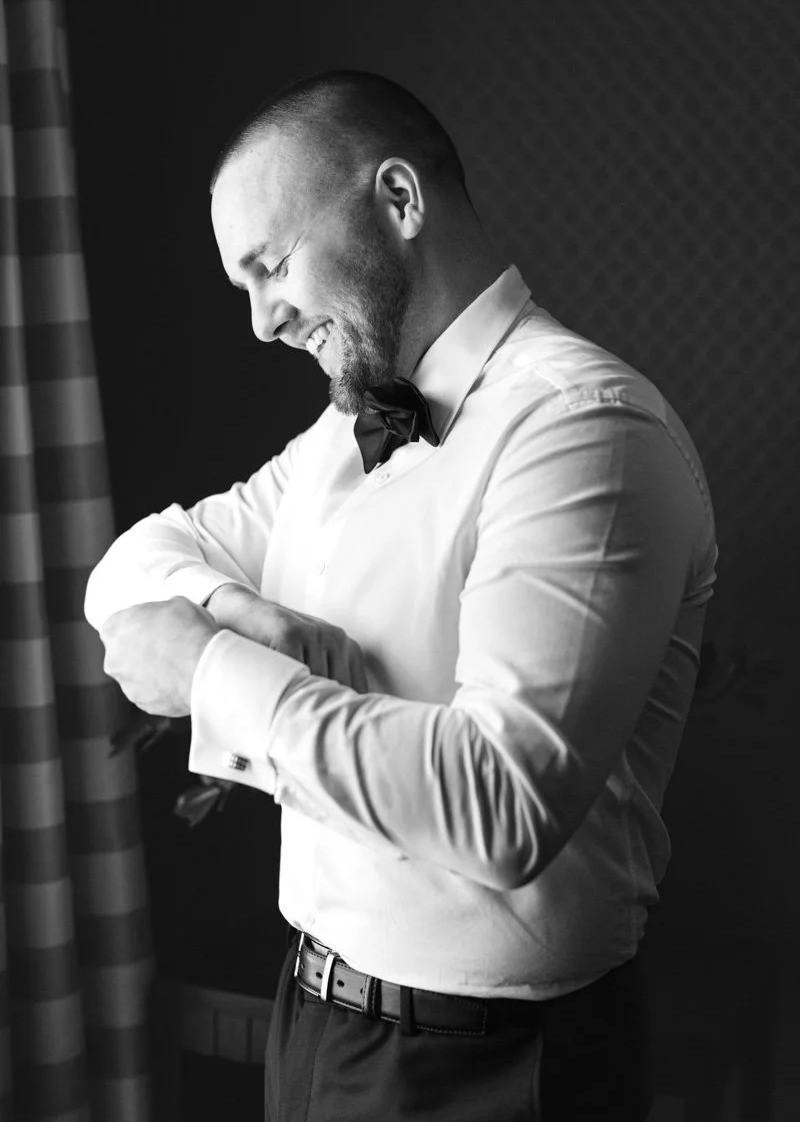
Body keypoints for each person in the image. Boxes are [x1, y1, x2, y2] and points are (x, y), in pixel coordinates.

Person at [87, 70, 717, 1121]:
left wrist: (206, 665)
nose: (261, 322)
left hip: (492, 1068)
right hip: (313, 1018)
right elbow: (133, 563)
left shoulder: (583, 429)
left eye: (271, 266)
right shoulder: (346, 432)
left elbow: (502, 806)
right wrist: (239, 611)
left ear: (398, 199)